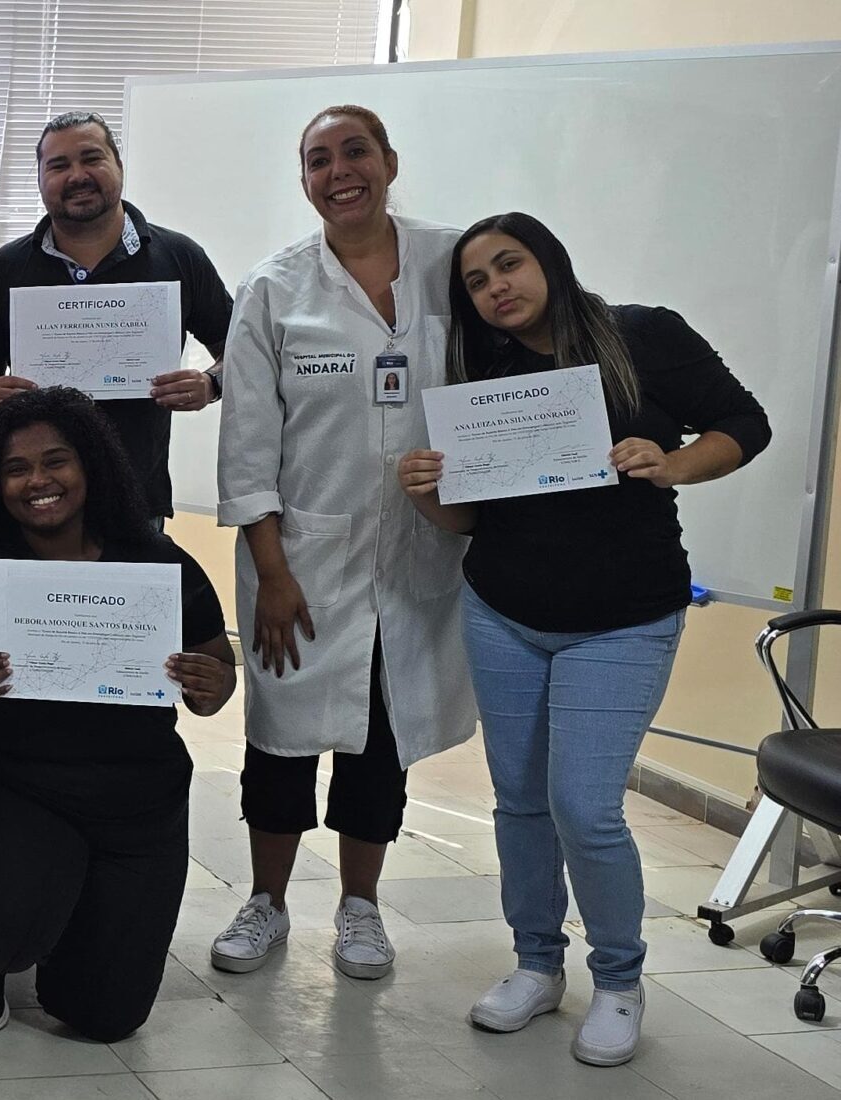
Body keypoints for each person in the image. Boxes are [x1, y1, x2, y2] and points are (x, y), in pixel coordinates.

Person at [398, 213, 768, 1066]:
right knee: (520, 801)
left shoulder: (642, 336)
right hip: (503, 611)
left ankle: (618, 981)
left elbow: (745, 424)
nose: (497, 288)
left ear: (549, 261)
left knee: (584, 807)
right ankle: (536, 965)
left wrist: (673, 464)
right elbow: (470, 521)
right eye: (477, 281)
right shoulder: (483, 375)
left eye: (509, 265)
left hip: (624, 620)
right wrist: (425, 494)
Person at [210, 105, 477, 983]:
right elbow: (248, 446)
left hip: (420, 554)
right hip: (302, 558)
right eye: (318, 160)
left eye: (354, 151)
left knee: (380, 742)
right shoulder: (273, 288)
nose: (339, 172)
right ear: (305, 182)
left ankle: (361, 907)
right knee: (279, 742)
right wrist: (273, 573)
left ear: (389, 161)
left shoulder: (453, 263)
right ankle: (267, 901)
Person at [0, 387, 236, 1041]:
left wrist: (212, 684)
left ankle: (71, 925)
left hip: (135, 797)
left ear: (90, 464)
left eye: (56, 461)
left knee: (105, 1017)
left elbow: (215, 673)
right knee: (0, 931)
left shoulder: (156, 562)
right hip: (8, 785)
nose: (38, 481)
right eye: (16, 468)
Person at [0, 111, 233, 531]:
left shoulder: (179, 257)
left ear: (119, 166)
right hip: (34, 500)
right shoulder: (7, 268)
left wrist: (210, 384)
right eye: (58, 165)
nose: (77, 175)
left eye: (91, 158)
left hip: (135, 503)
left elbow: (240, 350)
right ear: (39, 179)